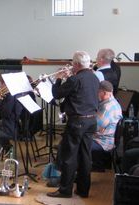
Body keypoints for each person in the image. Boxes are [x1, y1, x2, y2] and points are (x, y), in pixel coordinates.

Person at [47, 51, 99, 198]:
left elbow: (57, 94)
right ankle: (83, 190)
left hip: (77, 122)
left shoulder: (75, 79)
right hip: (91, 121)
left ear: (76, 64)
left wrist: (58, 79)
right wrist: (69, 77)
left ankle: (65, 190)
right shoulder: (94, 78)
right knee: (85, 156)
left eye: (72, 64)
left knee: (69, 157)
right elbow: (78, 91)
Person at [91, 81, 122, 171]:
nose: (96, 95)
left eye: (97, 92)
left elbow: (96, 127)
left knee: (78, 144)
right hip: (101, 137)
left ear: (104, 93)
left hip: (103, 142)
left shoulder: (108, 107)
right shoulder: (108, 102)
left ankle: (81, 173)